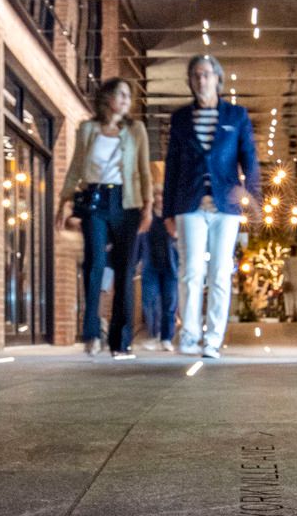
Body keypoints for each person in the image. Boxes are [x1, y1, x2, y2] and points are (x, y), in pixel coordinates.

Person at [163, 51, 260, 358]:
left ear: (218, 79)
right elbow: (172, 166)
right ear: (191, 82)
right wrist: (167, 212)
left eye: (207, 74)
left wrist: (251, 194)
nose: (202, 79)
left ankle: (214, 339)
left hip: (225, 206)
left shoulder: (236, 116)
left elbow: (250, 159)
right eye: (196, 75)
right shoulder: (180, 119)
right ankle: (189, 335)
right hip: (189, 203)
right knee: (190, 271)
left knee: (219, 273)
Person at [60, 75, 152, 356]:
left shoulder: (136, 130)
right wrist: (62, 203)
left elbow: (144, 170)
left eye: (128, 96)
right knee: (94, 264)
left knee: (124, 271)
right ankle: (91, 333)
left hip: (127, 203)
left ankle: (120, 340)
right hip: (95, 202)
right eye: (120, 94)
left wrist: (147, 207)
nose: (125, 100)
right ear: (107, 98)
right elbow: (76, 167)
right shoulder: (87, 129)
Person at [135, 171, 179, 348]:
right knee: (150, 301)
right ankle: (155, 334)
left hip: (171, 266)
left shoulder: (173, 218)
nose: (159, 198)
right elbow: (138, 239)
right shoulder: (146, 217)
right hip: (150, 266)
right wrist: (135, 262)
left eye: (162, 195)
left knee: (169, 303)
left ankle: (166, 338)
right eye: (156, 195)